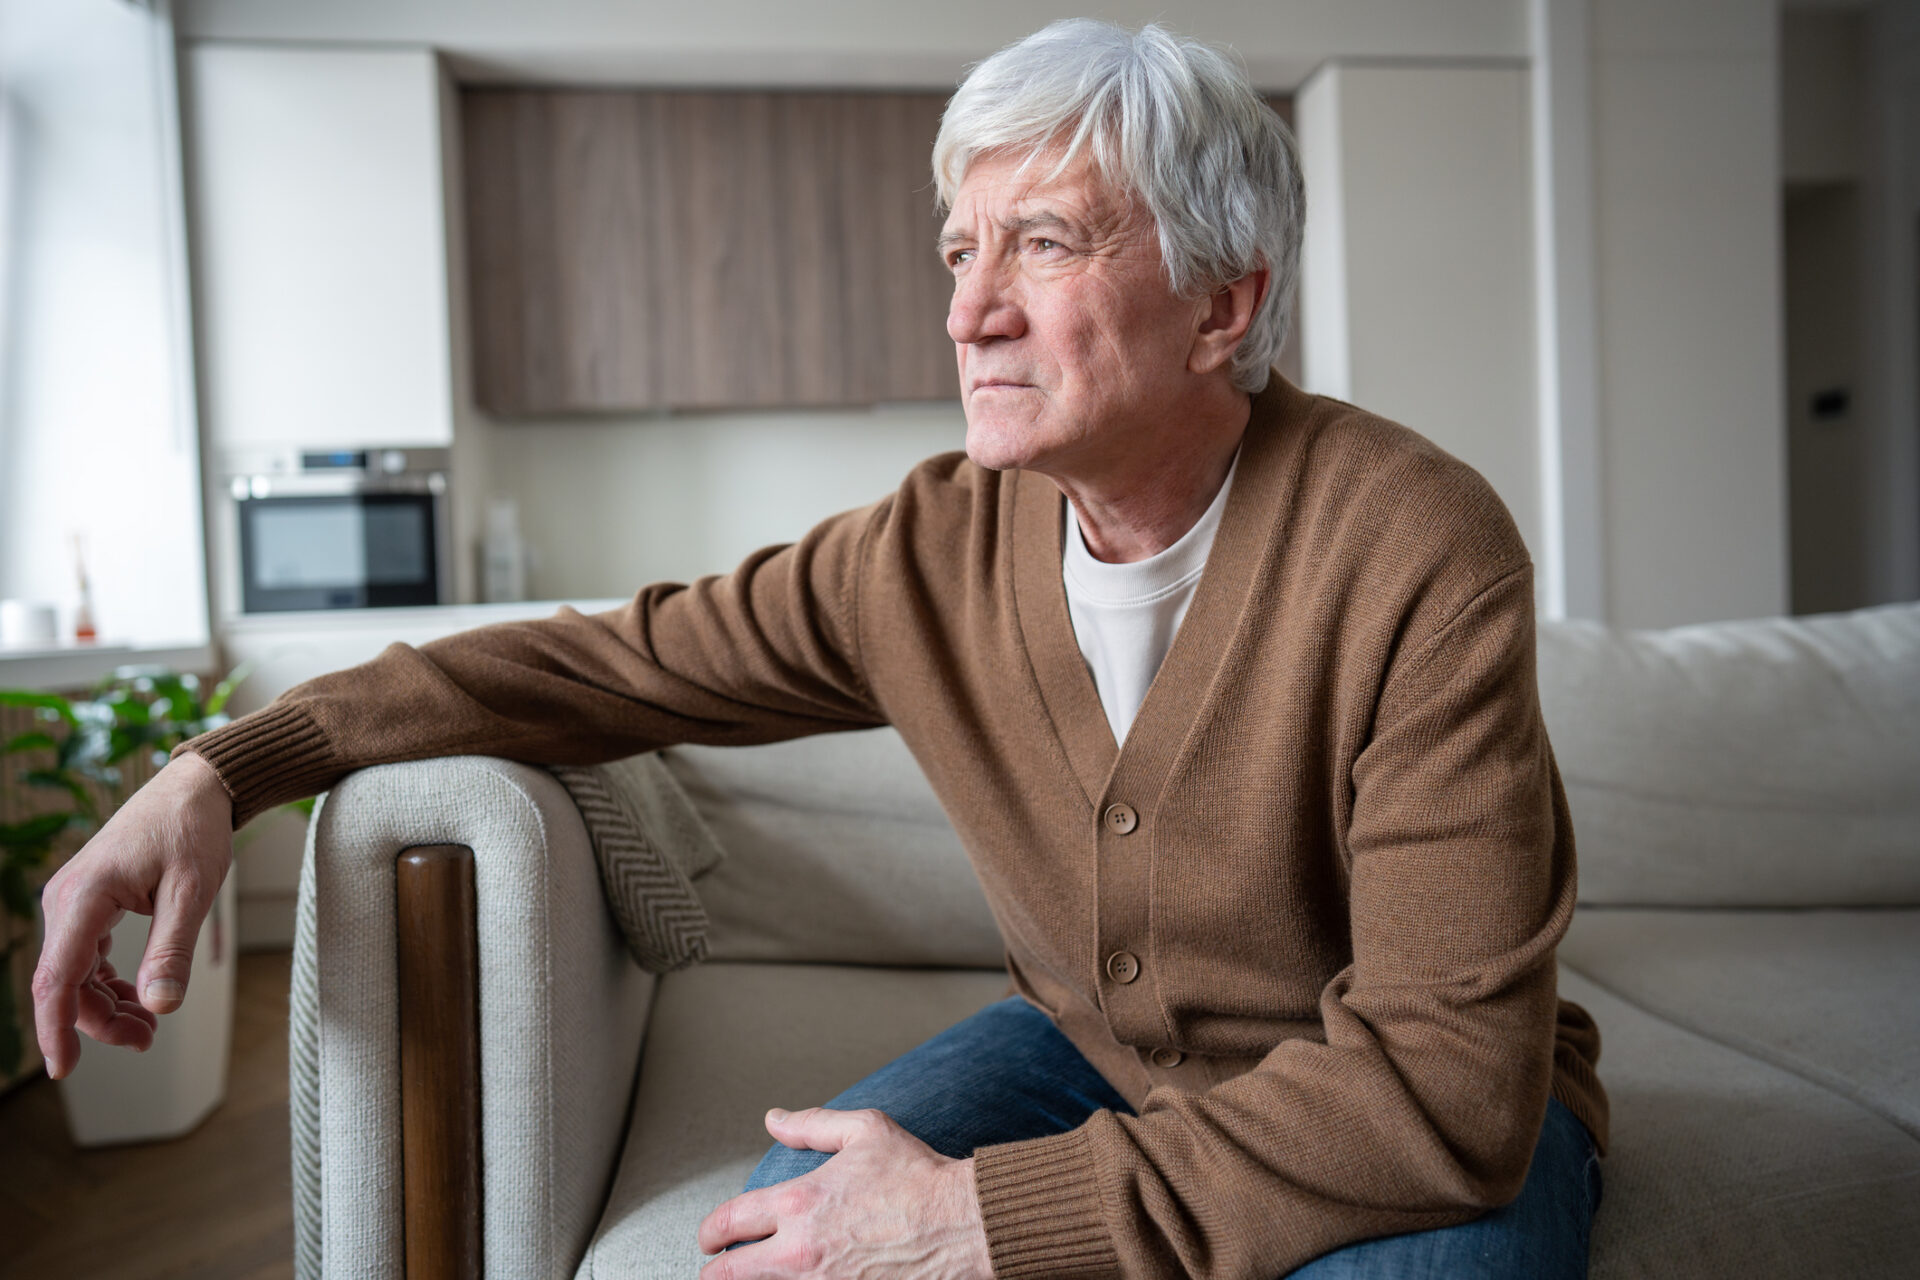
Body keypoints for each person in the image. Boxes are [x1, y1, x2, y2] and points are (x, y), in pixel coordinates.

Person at [33, 19, 1607, 1279]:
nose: (967, 313)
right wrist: (223, 769)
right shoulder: (925, 552)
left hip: (1380, 1108)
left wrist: (993, 1220)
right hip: (1090, 1055)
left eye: (1043, 244)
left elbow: (1442, 1089)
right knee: (786, 1236)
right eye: (956, 251)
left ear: (1225, 303)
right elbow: (602, 670)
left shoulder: (1416, 544)